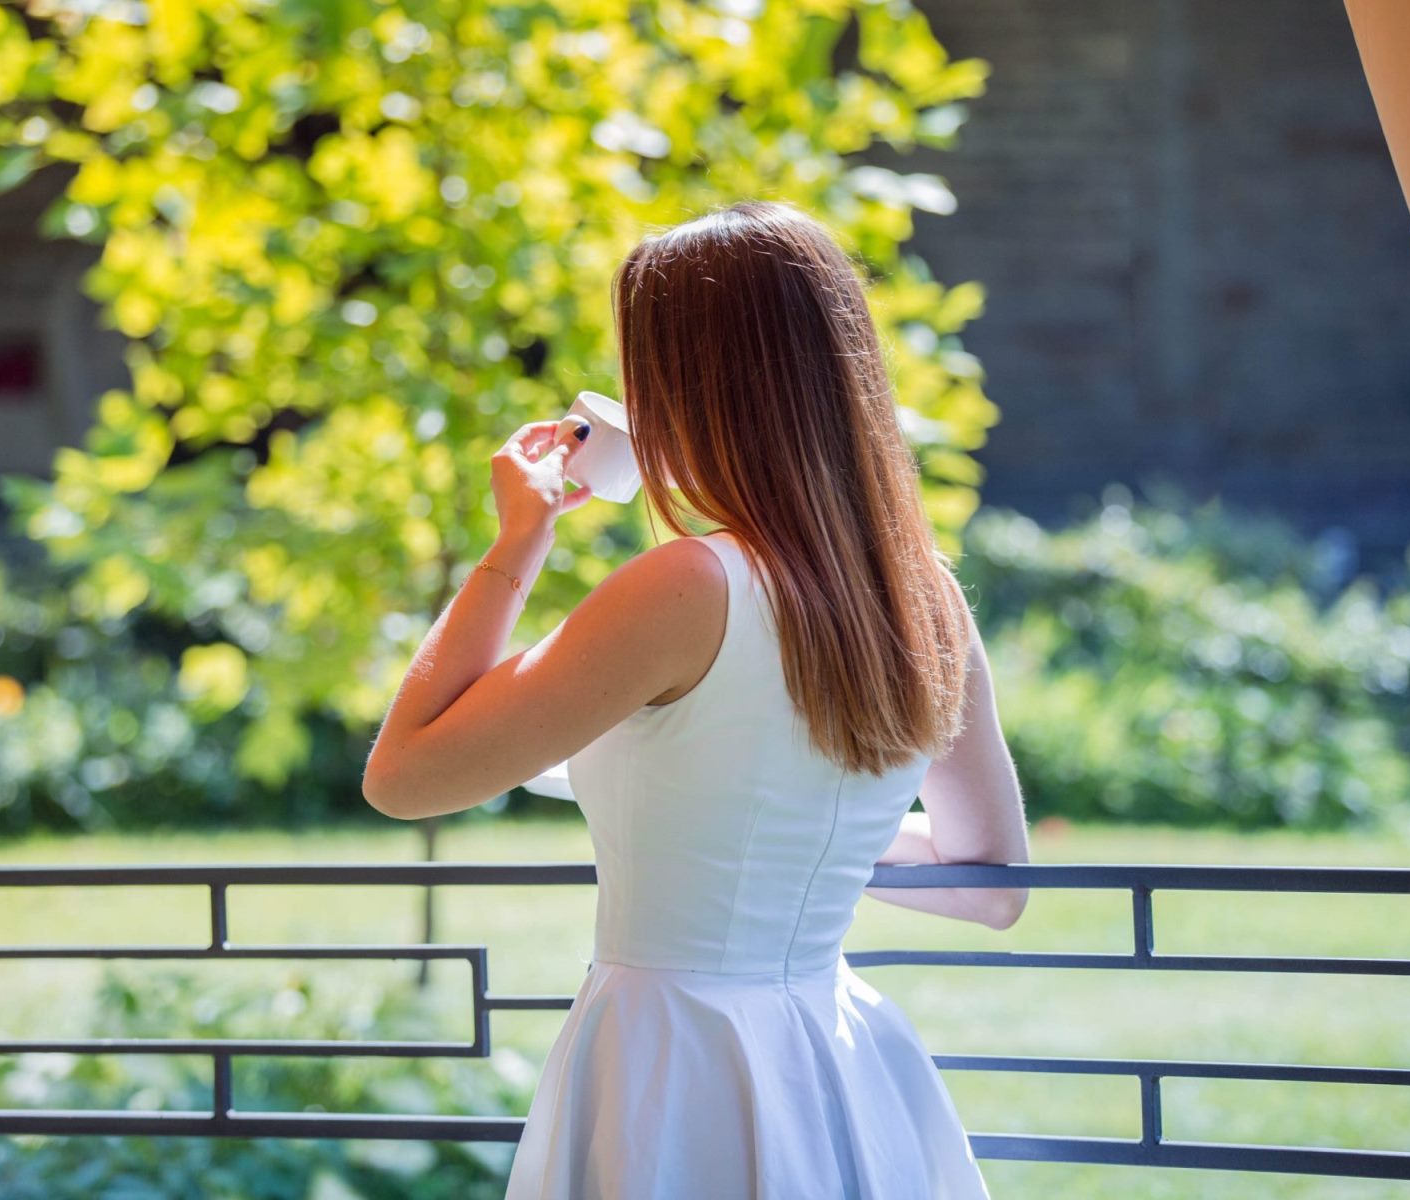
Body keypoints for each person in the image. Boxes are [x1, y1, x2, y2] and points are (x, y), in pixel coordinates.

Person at [362, 199, 1031, 1199]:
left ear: (684, 388)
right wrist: (791, 848)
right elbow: (992, 885)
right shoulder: (919, 588)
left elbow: (406, 778)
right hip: (834, 1058)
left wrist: (519, 539)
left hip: (672, 1060)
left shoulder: (684, 586)